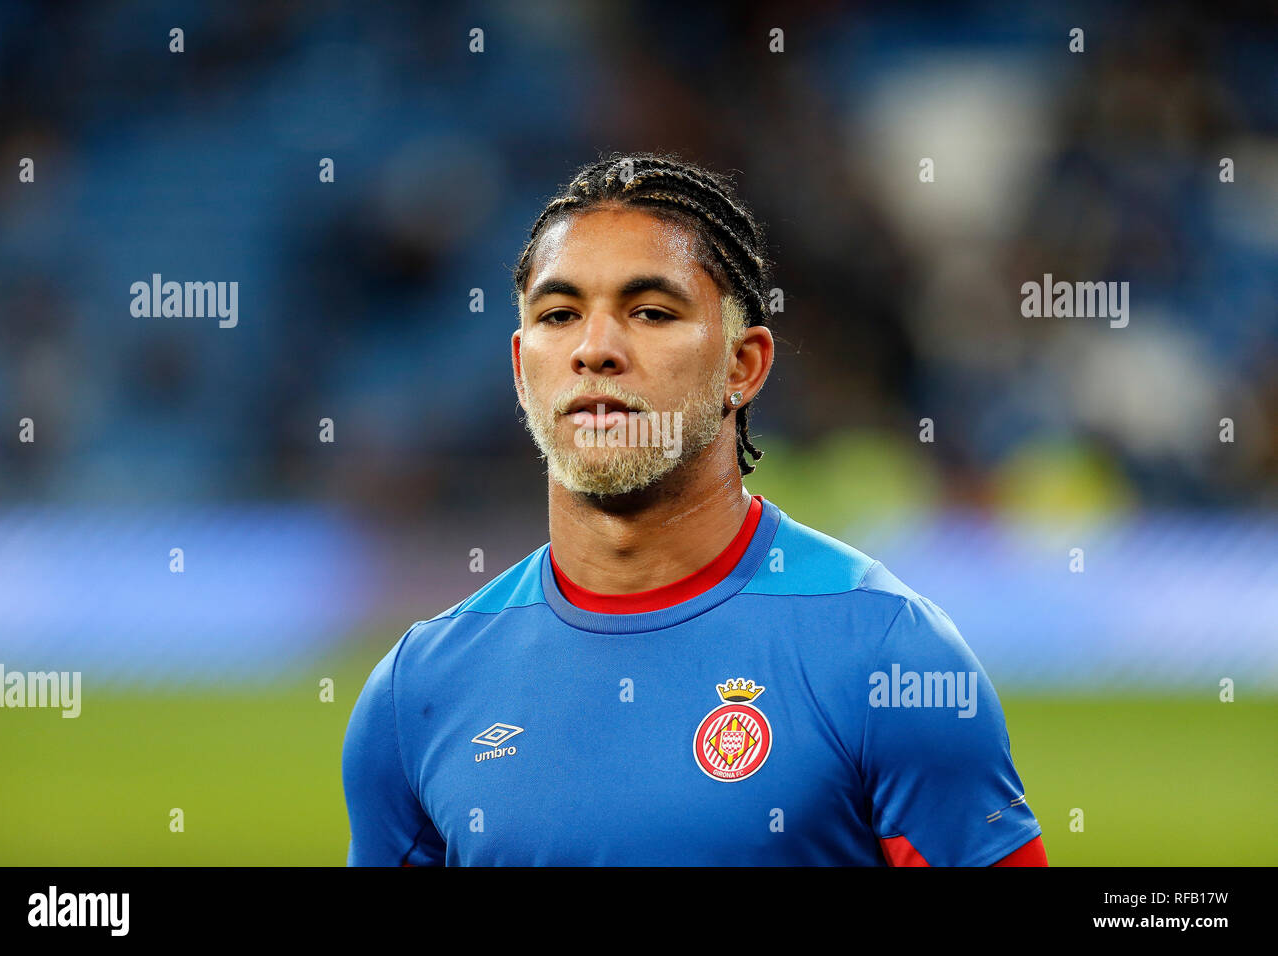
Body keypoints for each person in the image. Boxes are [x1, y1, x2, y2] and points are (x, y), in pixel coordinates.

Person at [342, 152, 1047, 866]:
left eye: (650, 311)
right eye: (560, 314)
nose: (596, 349)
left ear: (742, 367)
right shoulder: (418, 692)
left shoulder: (888, 655)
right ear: (523, 370)